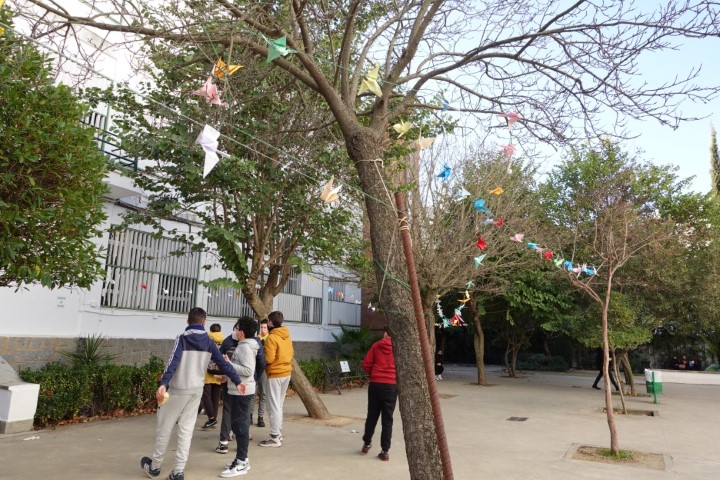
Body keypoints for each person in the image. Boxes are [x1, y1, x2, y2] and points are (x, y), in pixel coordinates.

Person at [140, 308, 245, 480]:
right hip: (196, 391)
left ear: (187, 321)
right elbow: (223, 364)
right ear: (204, 322)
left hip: (177, 390)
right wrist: (238, 381)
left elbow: (172, 362)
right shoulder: (209, 342)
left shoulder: (182, 339)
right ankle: (178, 472)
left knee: (164, 428)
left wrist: (164, 384)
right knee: (186, 431)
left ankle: (155, 467)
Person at [219, 316, 259, 477]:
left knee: (240, 427)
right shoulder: (244, 345)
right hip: (239, 390)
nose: (235, 331)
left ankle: (242, 462)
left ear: (241, 332)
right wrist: (227, 376)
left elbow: (248, 370)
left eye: (237, 328)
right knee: (237, 425)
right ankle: (241, 459)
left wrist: (229, 364)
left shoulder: (245, 347)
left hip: (243, 392)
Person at [258, 311, 294, 448]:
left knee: (273, 406)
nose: (267, 323)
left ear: (271, 323)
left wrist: (261, 354)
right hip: (286, 373)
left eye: (268, 321)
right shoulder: (286, 335)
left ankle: (274, 437)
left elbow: (269, 358)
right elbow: (291, 353)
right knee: (278, 405)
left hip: (275, 374)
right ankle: (278, 433)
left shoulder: (272, 337)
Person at [361, 326, 397, 462]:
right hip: (391, 385)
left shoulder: (376, 346)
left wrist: (374, 374)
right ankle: (385, 451)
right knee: (387, 419)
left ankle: (367, 443)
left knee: (372, 415)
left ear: (385, 334)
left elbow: (366, 364)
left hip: (375, 384)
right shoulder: (398, 348)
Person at [216, 324, 240, 454]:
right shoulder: (252, 343)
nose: (238, 332)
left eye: (239, 329)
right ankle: (230, 440)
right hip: (238, 382)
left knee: (231, 410)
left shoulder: (248, 343)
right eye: (236, 329)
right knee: (234, 410)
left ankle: (226, 441)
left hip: (236, 382)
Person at [200, 323, 224, 429]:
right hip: (219, 372)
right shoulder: (224, 340)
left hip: (207, 372)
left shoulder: (207, 339)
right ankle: (214, 418)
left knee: (206, 395)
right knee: (215, 397)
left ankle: (211, 418)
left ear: (210, 330)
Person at [252, 320, 269, 428]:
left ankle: (260, 417)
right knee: (252, 393)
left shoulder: (270, 339)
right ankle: (249, 415)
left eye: (264, 328)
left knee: (263, 394)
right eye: (261, 327)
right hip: (254, 368)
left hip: (264, 369)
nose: (262, 329)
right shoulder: (256, 339)